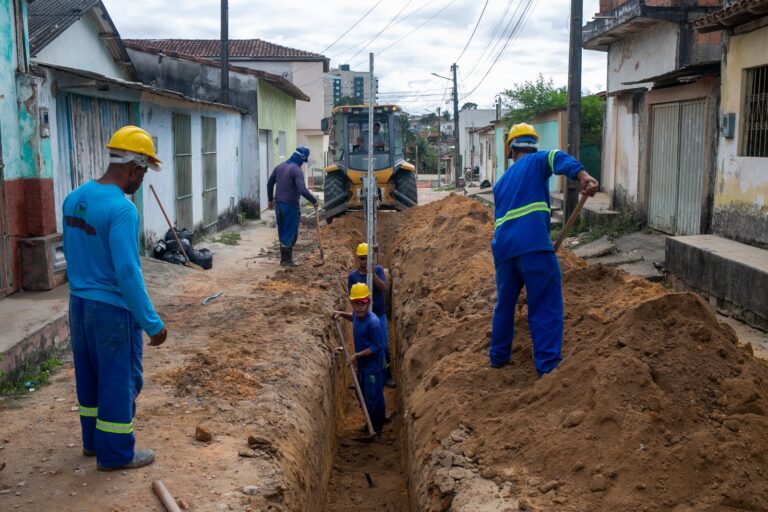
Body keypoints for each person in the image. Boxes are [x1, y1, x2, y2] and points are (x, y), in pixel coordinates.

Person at [62, 125, 168, 471]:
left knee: (90, 377)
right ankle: (117, 453)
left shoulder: (74, 198)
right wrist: (152, 323)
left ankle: (93, 442)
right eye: (143, 174)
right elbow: (127, 273)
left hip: (78, 306)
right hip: (110, 310)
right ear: (133, 169)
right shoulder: (122, 210)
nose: (141, 182)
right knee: (119, 381)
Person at [489, 123, 598, 376]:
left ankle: (498, 356)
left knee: (504, 304)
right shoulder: (539, 160)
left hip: (504, 251)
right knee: (545, 303)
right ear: (533, 145)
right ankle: (548, 366)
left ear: (511, 151)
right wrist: (584, 176)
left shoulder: (501, 182)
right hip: (534, 247)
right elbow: (557, 157)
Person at [332, 283, 387, 433]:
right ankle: (374, 419)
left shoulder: (373, 323)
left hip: (373, 366)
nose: (359, 307)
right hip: (363, 365)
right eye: (356, 304)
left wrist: (357, 355)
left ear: (368, 302)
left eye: (362, 303)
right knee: (362, 392)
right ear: (352, 303)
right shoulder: (357, 314)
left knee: (373, 396)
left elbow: (377, 346)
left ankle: (376, 426)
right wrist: (340, 313)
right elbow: (353, 317)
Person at [347, 243, 395, 388]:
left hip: (379, 315)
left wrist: (372, 274)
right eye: (361, 259)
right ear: (357, 259)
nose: (364, 262)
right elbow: (352, 299)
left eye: (367, 258)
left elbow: (383, 287)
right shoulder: (353, 276)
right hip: (361, 318)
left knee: (383, 347)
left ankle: (387, 376)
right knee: (361, 348)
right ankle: (361, 380)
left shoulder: (379, 270)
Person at [267, 147, 318, 266]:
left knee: (282, 230)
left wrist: (270, 200)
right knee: (290, 231)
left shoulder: (280, 167)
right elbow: (301, 189)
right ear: (301, 159)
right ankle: (286, 260)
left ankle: (284, 259)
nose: (302, 164)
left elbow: (270, 183)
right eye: (303, 162)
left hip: (279, 205)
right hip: (291, 206)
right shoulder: (296, 170)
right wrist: (313, 201)